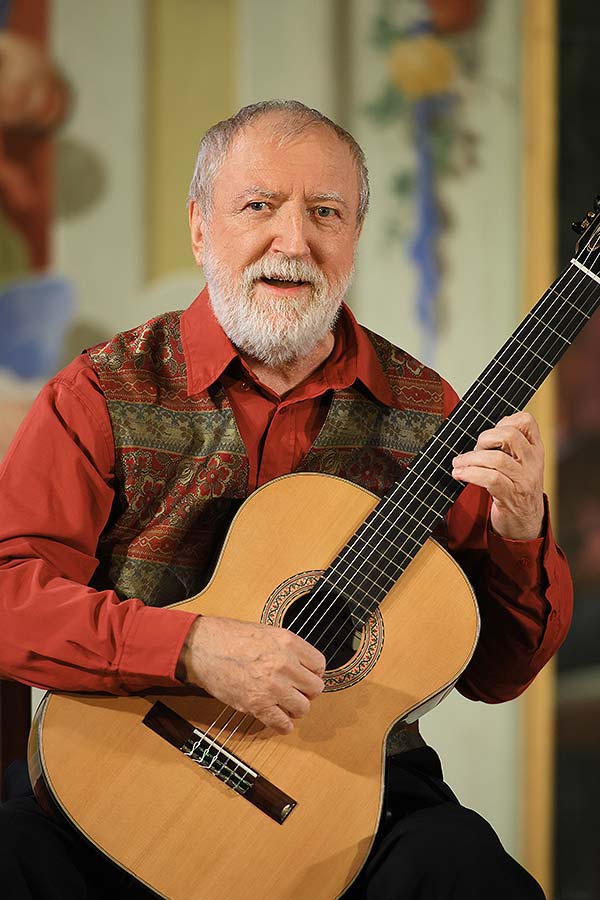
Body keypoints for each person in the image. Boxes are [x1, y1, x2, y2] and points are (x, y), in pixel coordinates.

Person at [0, 99, 572, 899]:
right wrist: (190, 648)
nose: (294, 241)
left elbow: (497, 673)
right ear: (200, 228)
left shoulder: (432, 412)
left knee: (466, 872)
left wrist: (521, 531)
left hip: (349, 792)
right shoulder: (98, 393)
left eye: (326, 213)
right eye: (260, 206)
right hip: (129, 758)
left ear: (355, 238)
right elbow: (10, 599)